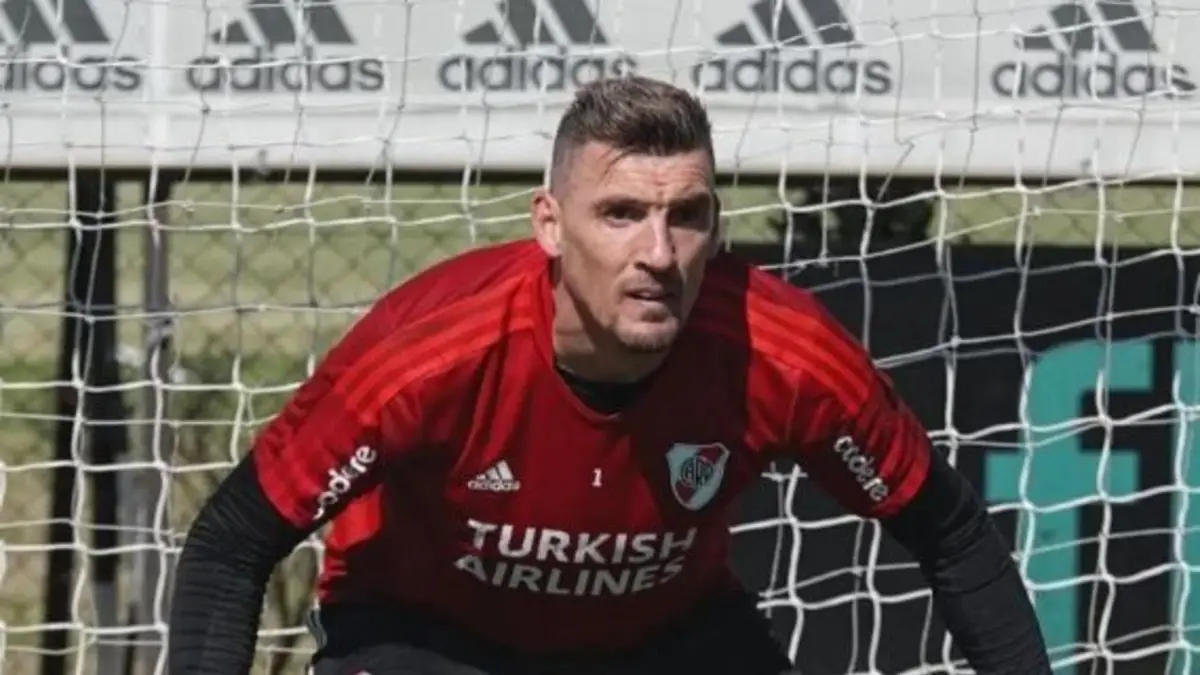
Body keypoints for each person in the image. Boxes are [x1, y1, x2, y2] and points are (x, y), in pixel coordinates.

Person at [167, 75, 1051, 675]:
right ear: (550, 225)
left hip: (664, 637)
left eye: (687, 216)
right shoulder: (428, 353)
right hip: (426, 634)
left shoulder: (787, 354)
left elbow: (952, 534)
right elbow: (232, 541)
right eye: (621, 213)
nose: (659, 252)